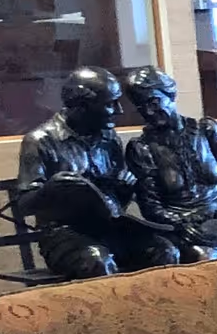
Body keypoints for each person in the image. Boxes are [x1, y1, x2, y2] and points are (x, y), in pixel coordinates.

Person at [14, 68, 184, 279]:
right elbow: (23, 205)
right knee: (98, 261)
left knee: (165, 251)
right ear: (82, 106)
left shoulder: (109, 138)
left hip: (111, 229)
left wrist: (125, 188)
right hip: (64, 235)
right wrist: (50, 190)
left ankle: (153, 301)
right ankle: (110, 302)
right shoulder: (41, 141)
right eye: (110, 103)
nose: (119, 110)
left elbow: (117, 203)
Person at [122, 65, 217, 261]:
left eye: (154, 102)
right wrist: (181, 224)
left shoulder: (207, 130)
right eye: (141, 107)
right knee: (204, 257)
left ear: (170, 94)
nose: (149, 112)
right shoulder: (141, 148)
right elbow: (151, 208)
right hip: (182, 229)